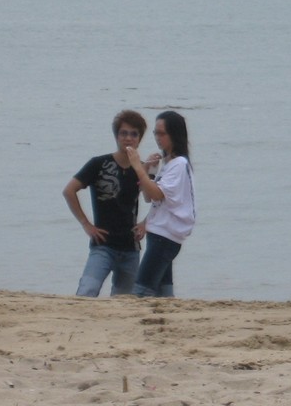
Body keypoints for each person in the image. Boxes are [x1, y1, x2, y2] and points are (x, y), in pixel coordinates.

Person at [63, 110, 160, 297]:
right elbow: (69, 191)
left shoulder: (141, 169)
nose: (128, 138)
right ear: (117, 136)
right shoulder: (99, 164)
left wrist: (146, 223)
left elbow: (156, 200)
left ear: (139, 138)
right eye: (124, 133)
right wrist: (86, 224)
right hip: (103, 245)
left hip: (130, 247)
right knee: (87, 290)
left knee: (125, 301)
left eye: (134, 134)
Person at [127, 111, 195, 298]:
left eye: (162, 133)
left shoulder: (179, 164)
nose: (158, 138)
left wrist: (138, 167)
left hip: (166, 236)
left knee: (141, 290)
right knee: (163, 292)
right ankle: (167, 322)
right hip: (161, 233)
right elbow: (152, 198)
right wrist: (149, 171)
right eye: (155, 133)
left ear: (174, 134)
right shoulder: (168, 163)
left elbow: (156, 194)